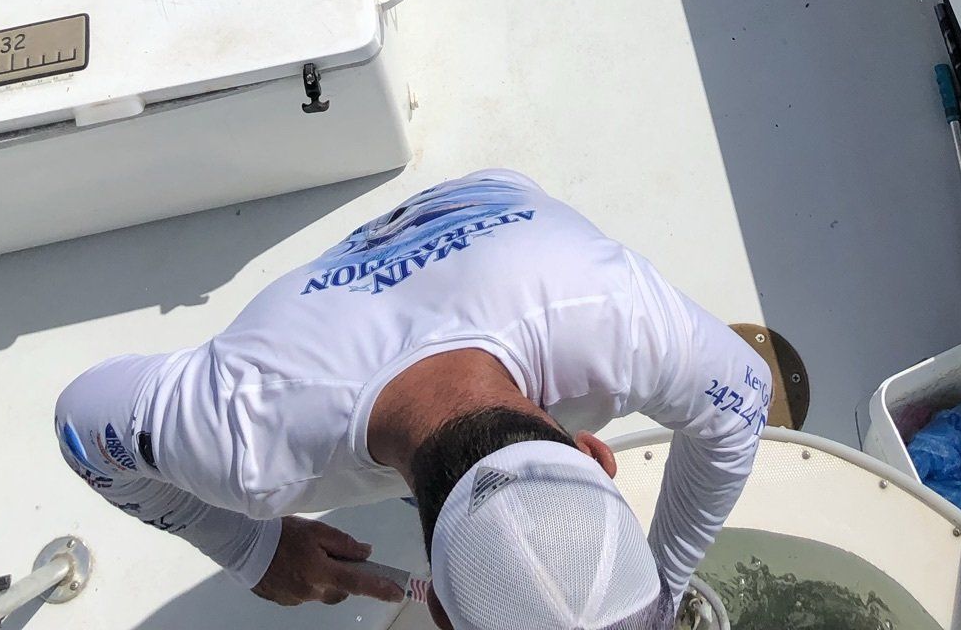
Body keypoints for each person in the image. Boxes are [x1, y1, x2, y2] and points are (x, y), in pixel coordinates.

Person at [55, 169, 769, 624]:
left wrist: (666, 588)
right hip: (423, 276)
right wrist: (248, 544)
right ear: (591, 451)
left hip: (496, 209)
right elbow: (80, 427)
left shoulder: (621, 320)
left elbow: (748, 397)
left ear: (594, 453)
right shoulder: (244, 438)